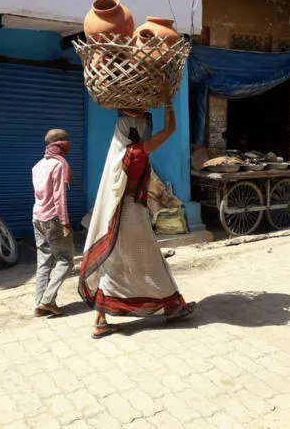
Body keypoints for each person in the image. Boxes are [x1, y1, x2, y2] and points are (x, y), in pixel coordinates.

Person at [78, 105, 195, 339]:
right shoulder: (138, 152)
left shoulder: (117, 156)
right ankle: (172, 306)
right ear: (136, 131)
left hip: (118, 214)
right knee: (150, 261)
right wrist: (169, 101)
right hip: (132, 214)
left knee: (116, 264)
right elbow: (170, 129)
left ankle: (101, 320)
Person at [32, 129, 74, 317]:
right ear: (59, 144)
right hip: (53, 218)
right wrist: (65, 222)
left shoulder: (38, 166)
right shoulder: (59, 165)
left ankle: (39, 305)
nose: (69, 144)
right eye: (66, 140)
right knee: (65, 259)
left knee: (44, 261)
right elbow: (59, 196)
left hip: (37, 217)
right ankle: (47, 300)